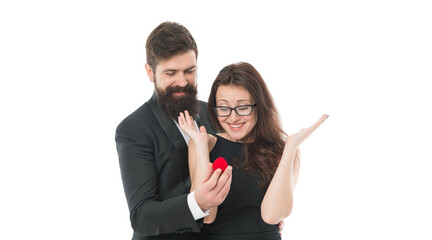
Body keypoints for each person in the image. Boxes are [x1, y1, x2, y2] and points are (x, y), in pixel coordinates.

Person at [178, 62, 328, 240]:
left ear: (259, 105)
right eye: (224, 108)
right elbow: (206, 217)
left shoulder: (285, 151)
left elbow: (272, 216)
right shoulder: (202, 145)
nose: (233, 118)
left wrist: (291, 148)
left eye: (242, 107)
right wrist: (202, 148)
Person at [115, 21, 233, 240]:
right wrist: (197, 203)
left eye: (190, 71)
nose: (182, 81)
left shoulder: (216, 113)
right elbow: (142, 216)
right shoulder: (133, 129)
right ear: (150, 72)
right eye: (171, 73)